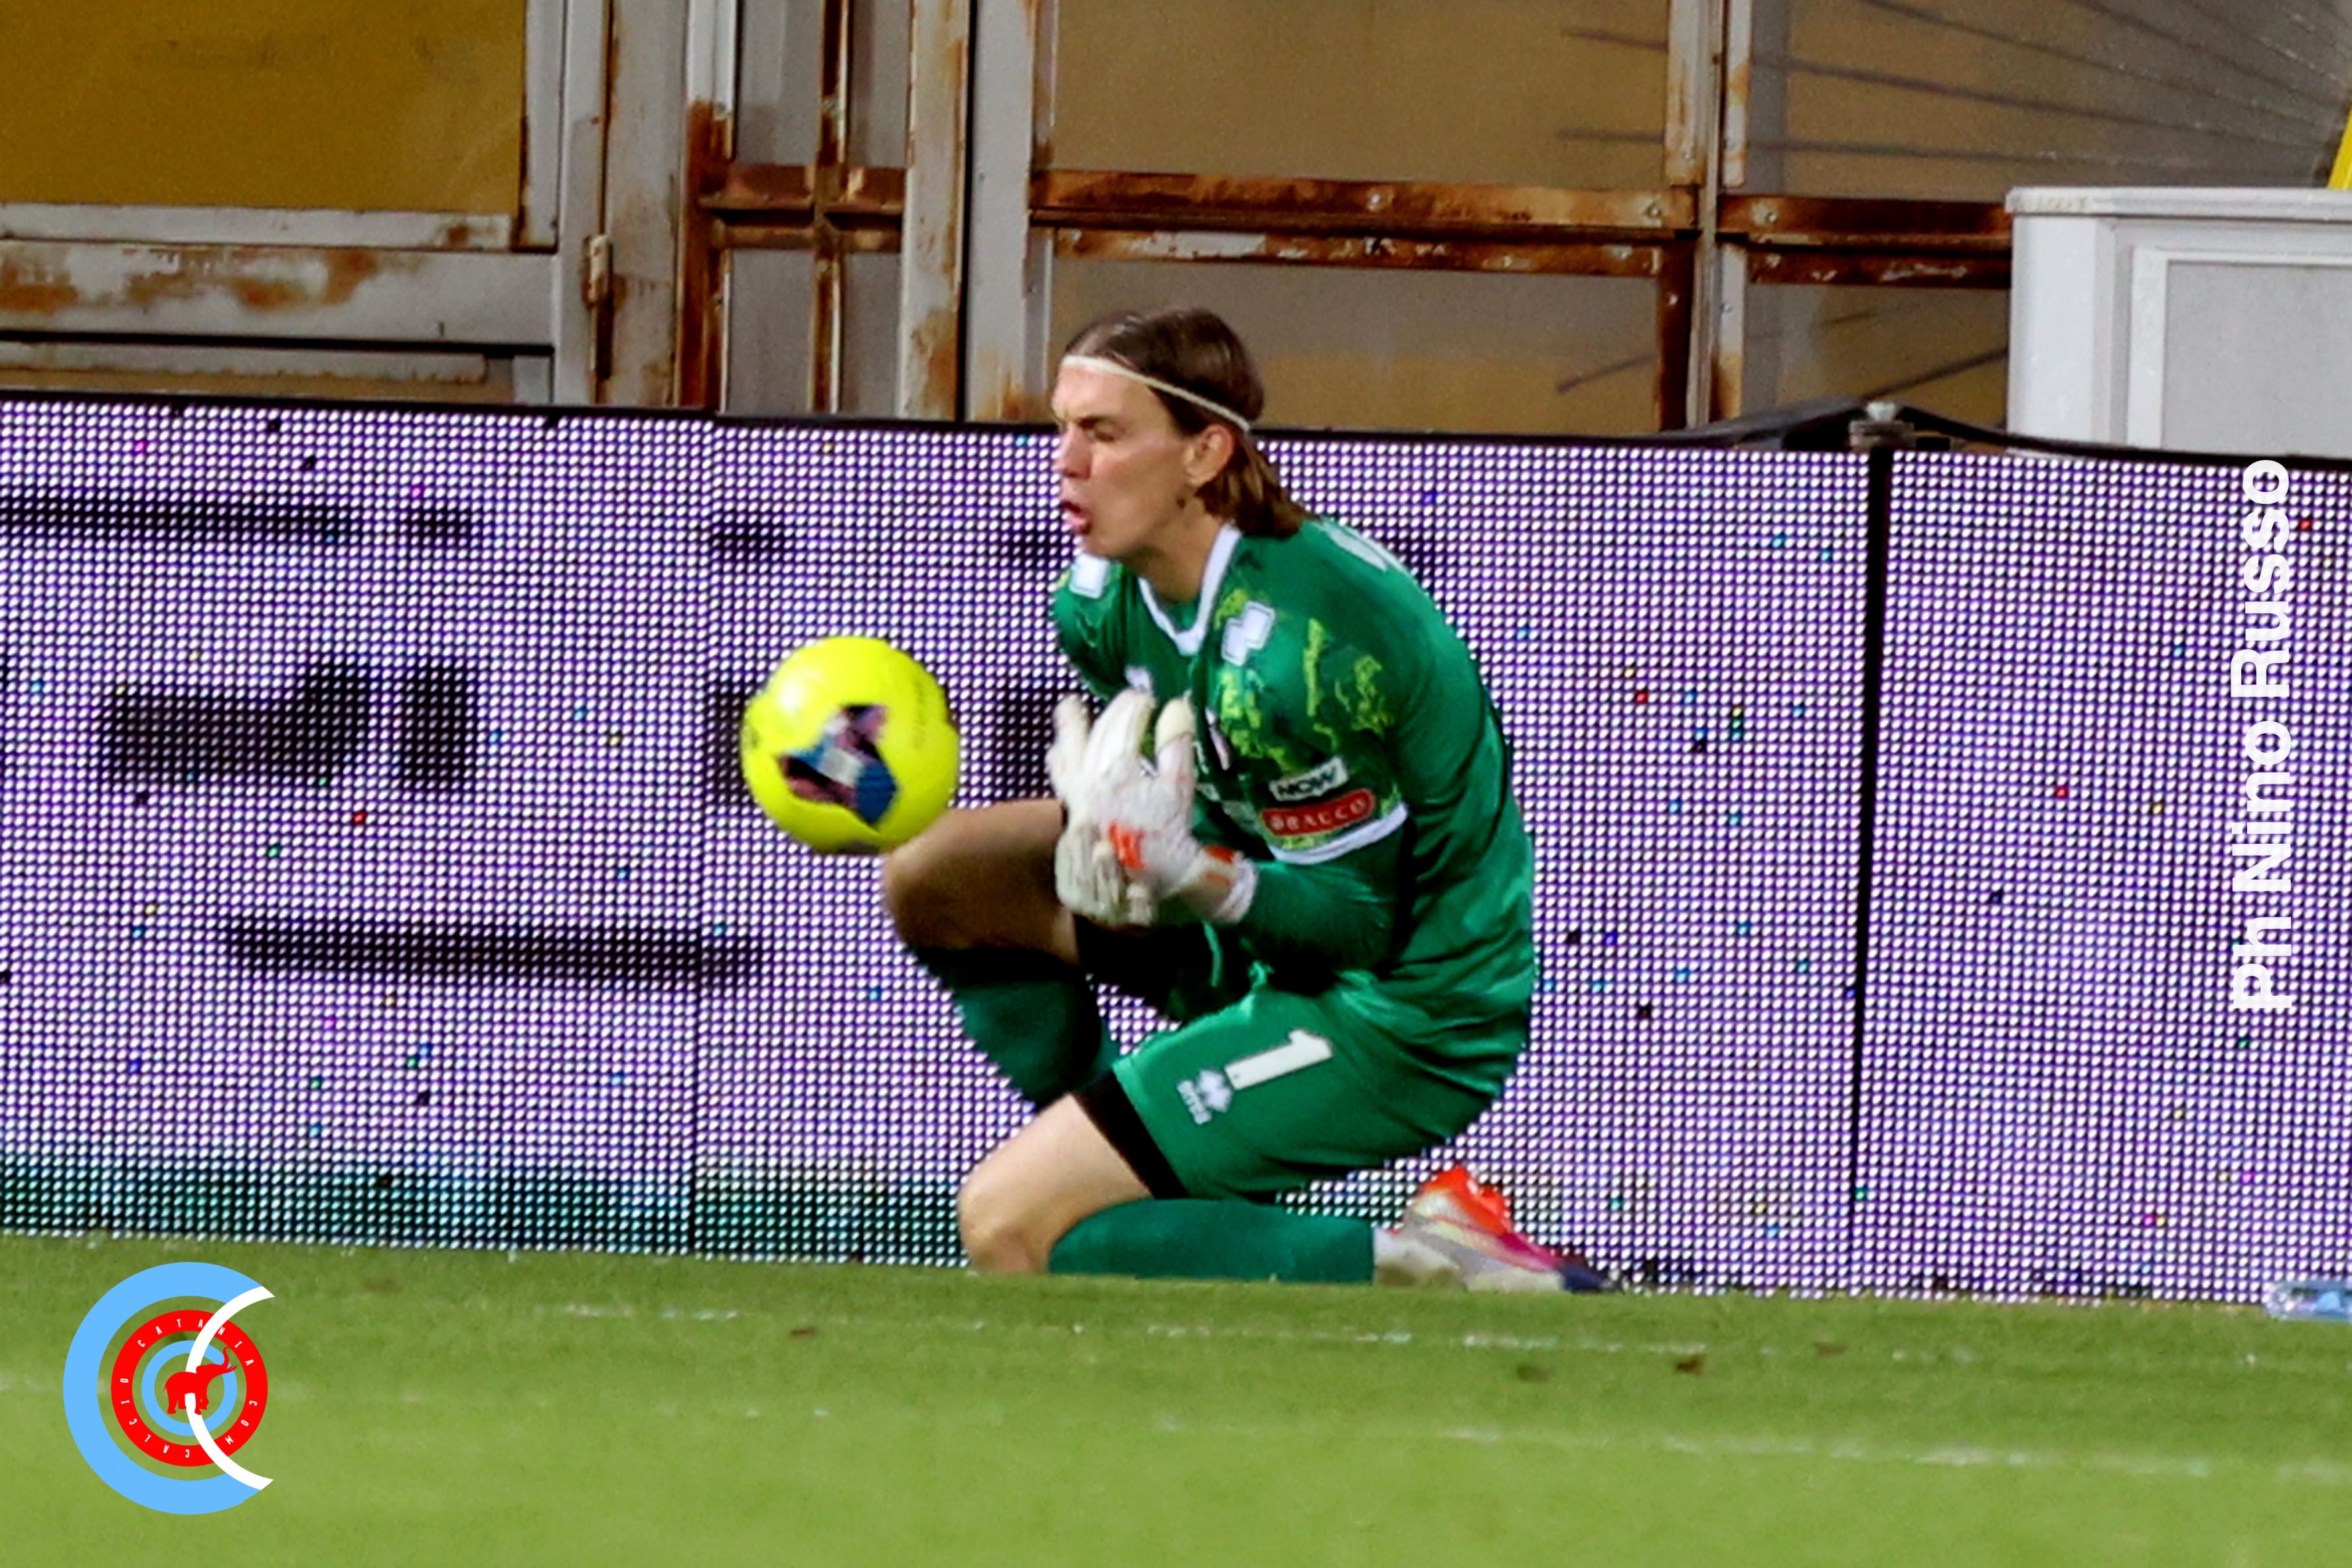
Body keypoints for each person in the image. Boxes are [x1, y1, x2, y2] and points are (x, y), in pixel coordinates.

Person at [882, 305, 1602, 1291]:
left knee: (1009, 1229)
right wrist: (1126, 840)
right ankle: (1121, 1161)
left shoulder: (1302, 657)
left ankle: (1437, 1259)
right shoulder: (1099, 600)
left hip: (1402, 1009)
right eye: (1062, 427)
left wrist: (1186, 869)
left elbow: (1357, 928)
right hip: (1258, 928)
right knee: (937, 875)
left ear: (1205, 453)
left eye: (1104, 433)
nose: (1066, 462)